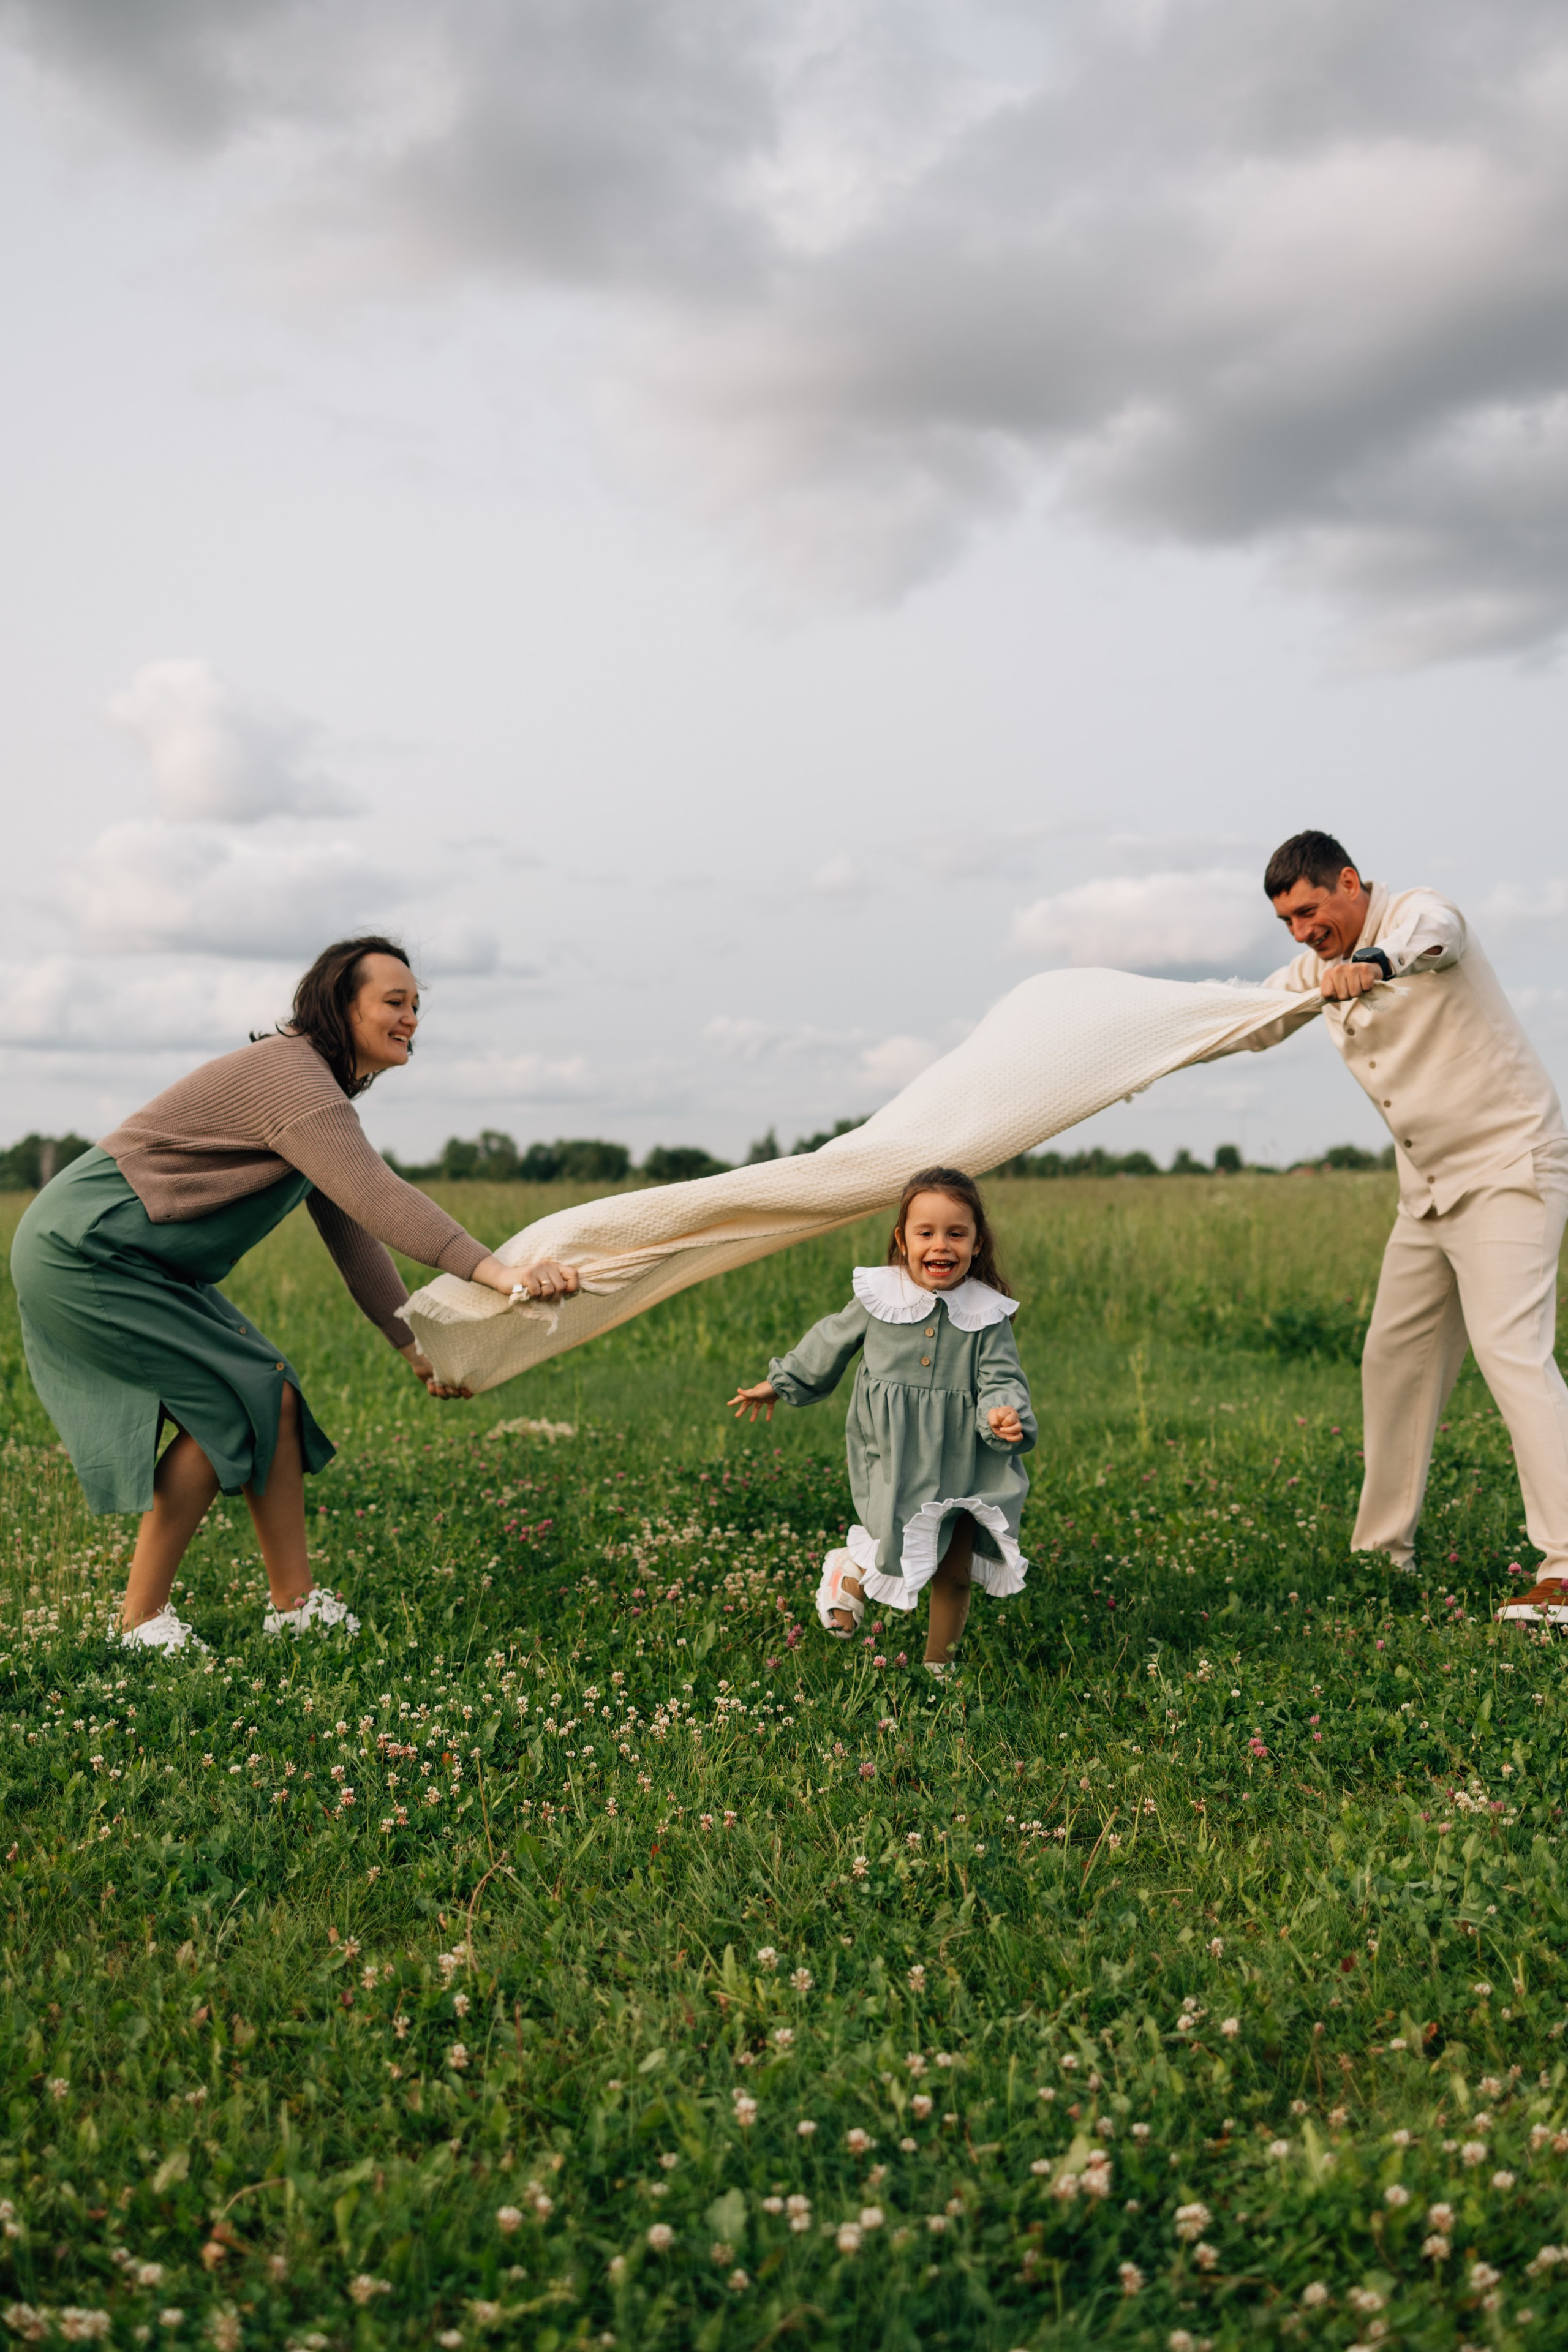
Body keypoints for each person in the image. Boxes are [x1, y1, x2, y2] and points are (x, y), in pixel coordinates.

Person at [10, 937, 579, 1653]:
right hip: (91, 1249)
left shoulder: (315, 1093)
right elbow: (379, 1197)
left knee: (269, 1391)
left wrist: (411, 1345)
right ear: (341, 1007)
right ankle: (141, 1623)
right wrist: (498, 1273)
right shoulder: (296, 1080)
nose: (410, 1020)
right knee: (231, 1400)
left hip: (137, 1259)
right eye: (393, 1003)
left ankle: (294, 1606)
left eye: (415, 1006)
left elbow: (352, 1233)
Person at [1229, 832, 1568, 1624]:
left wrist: (1376, 963)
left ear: (1349, 883)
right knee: (1393, 1359)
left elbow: (1434, 936)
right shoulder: (1313, 967)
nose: (1303, 933)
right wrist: (1150, 1049)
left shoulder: (1416, 916)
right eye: (1286, 922)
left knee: (1511, 1354)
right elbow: (1256, 1020)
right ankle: (1381, 1555)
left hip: (1510, 1168)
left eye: (1310, 910)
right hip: (1428, 1191)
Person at [728, 1167, 1035, 1673]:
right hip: (894, 1447)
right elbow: (830, 1342)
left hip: (967, 1456)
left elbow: (1002, 1377)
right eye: (926, 1232)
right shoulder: (879, 1296)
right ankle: (849, 1573)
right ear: (902, 1239)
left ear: (978, 1243)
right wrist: (781, 1383)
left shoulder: (988, 1314)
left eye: (957, 1234)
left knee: (954, 1569)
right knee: (890, 1533)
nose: (942, 1245)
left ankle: (941, 1666)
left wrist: (1004, 1412)